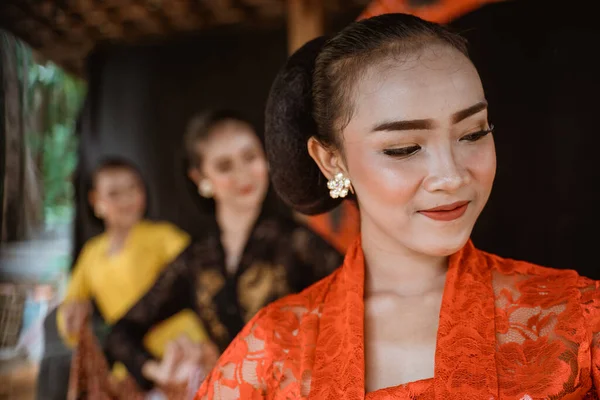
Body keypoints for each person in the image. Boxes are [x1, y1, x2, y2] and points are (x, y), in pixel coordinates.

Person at [195, 14, 600, 399]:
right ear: (331, 160)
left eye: (474, 133)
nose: (451, 175)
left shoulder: (578, 320)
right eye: (404, 148)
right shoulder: (270, 349)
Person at [106, 110, 343, 393]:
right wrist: (157, 370)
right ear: (200, 178)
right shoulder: (195, 260)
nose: (243, 174)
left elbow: (358, 306)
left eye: (250, 157)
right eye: (224, 165)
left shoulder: (297, 243)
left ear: (266, 159)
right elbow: (121, 333)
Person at [57, 158, 207, 390]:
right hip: (130, 366)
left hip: (183, 354)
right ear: (96, 201)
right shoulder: (91, 253)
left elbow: (204, 276)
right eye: (115, 193)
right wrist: (70, 320)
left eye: (133, 188)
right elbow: (72, 303)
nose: (127, 199)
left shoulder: (164, 237)